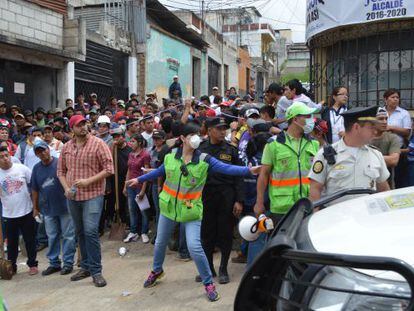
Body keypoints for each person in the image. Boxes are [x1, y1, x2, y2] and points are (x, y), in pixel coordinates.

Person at [125, 122, 260, 302]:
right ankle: (157, 271)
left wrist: (248, 170)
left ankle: (208, 283)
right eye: (191, 135)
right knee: (160, 243)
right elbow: (159, 171)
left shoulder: (204, 159)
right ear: (182, 138)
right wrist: (139, 179)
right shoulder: (171, 155)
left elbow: (227, 168)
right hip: (169, 208)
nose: (196, 138)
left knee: (195, 247)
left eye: (198, 134)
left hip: (190, 210)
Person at [57, 115, 114, 287]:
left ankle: (96, 271)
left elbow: (109, 169)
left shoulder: (98, 144)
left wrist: (89, 181)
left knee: (90, 231)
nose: (83, 127)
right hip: (73, 197)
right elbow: (60, 172)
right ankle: (86, 267)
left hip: (93, 194)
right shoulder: (66, 147)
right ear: (72, 129)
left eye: (85, 124)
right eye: (79, 125)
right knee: (80, 232)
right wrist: (66, 188)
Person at [254, 102, 319, 223]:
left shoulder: (313, 143)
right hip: (282, 208)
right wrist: (259, 202)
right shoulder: (274, 144)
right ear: (295, 119)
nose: (312, 120)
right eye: (307, 116)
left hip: (307, 205)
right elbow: (263, 175)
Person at [309, 106, 390, 202]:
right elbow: (315, 189)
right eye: (371, 127)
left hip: (366, 215)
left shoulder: (376, 155)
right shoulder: (325, 154)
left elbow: (384, 190)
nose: (375, 131)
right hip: (336, 215)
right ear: (356, 127)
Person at [198, 117, 245, 284]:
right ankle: (208, 267)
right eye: (218, 128)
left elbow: (239, 176)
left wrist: (239, 200)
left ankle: (223, 268)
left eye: (224, 128)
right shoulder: (201, 149)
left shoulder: (231, 149)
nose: (223, 131)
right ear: (209, 130)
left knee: (225, 233)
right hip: (206, 196)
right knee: (206, 234)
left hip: (226, 195)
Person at [31, 140, 76, 276]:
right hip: (48, 208)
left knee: (68, 236)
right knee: (52, 236)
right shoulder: (36, 168)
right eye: (39, 151)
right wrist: (35, 207)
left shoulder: (60, 163)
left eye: (44, 149)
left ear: (48, 149)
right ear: (36, 154)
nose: (42, 153)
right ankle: (54, 263)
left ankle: (68, 263)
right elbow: (34, 189)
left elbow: (72, 179)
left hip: (65, 206)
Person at [0, 146, 38, 275]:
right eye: (1, 157)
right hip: (8, 214)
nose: (5, 159)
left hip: (26, 211)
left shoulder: (21, 168)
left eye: (6, 155)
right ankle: (12, 266)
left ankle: (32, 264)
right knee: (11, 243)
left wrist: (35, 207)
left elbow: (34, 185)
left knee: (30, 239)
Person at [123, 134, 151, 244]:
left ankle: (144, 232)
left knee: (143, 210)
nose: (131, 143)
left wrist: (143, 190)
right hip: (131, 186)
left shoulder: (145, 155)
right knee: (132, 210)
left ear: (139, 142)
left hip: (140, 186)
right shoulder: (130, 154)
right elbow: (129, 171)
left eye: (133, 141)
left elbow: (146, 173)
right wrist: (125, 186)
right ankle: (133, 231)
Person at [383, 88, 412, 188]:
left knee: (398, 177)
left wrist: (391, 128)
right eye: (392, 97)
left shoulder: (403, 113)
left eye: (397, 97)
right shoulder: (380, 112)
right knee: (383, 176)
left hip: (398, 148)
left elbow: (407, 132)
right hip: (382, 147)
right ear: (385, 99)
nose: (395, 99)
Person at [371, 107, 401, 189]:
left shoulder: (393, 138)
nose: (385, 122)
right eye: (380, 119)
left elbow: (393, 160)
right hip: (367, 183)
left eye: (386, 119)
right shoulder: (365, 138)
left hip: (387, 183)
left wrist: (367, 157)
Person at [111, 127, 132, 224]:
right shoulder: (113, 148)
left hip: (128, 178)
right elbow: (108, 159)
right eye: (114, 137)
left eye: (118, 136)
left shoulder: (130, 149)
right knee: (119, 200)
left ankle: (130, 221)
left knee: (129, 201)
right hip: (116, 179)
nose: (116, 138)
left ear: (123, 137)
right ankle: (121, 220)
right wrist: (113, 146)